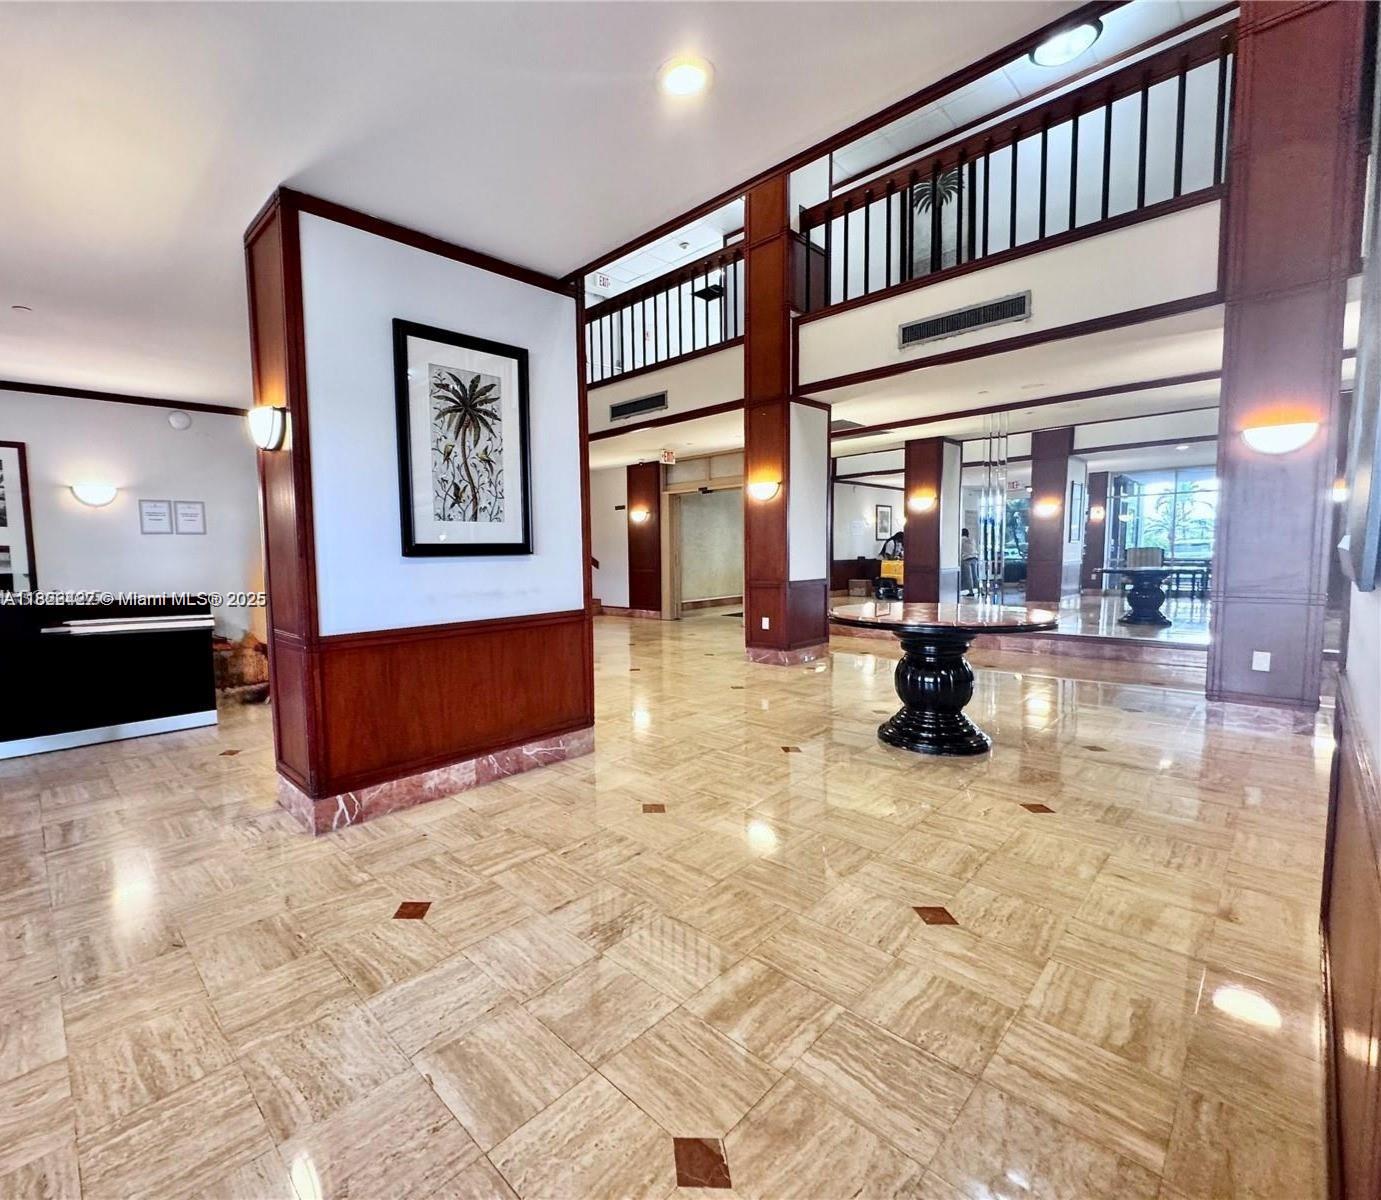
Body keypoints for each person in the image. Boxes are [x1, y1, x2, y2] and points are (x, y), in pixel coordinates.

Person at [960, 527, 980, 596]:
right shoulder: (972, 540)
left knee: (969, 576)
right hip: (975, 558)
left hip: (966, 559)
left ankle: (971, 592)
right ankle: (980, 590)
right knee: (975, 576)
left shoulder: (961, 540)